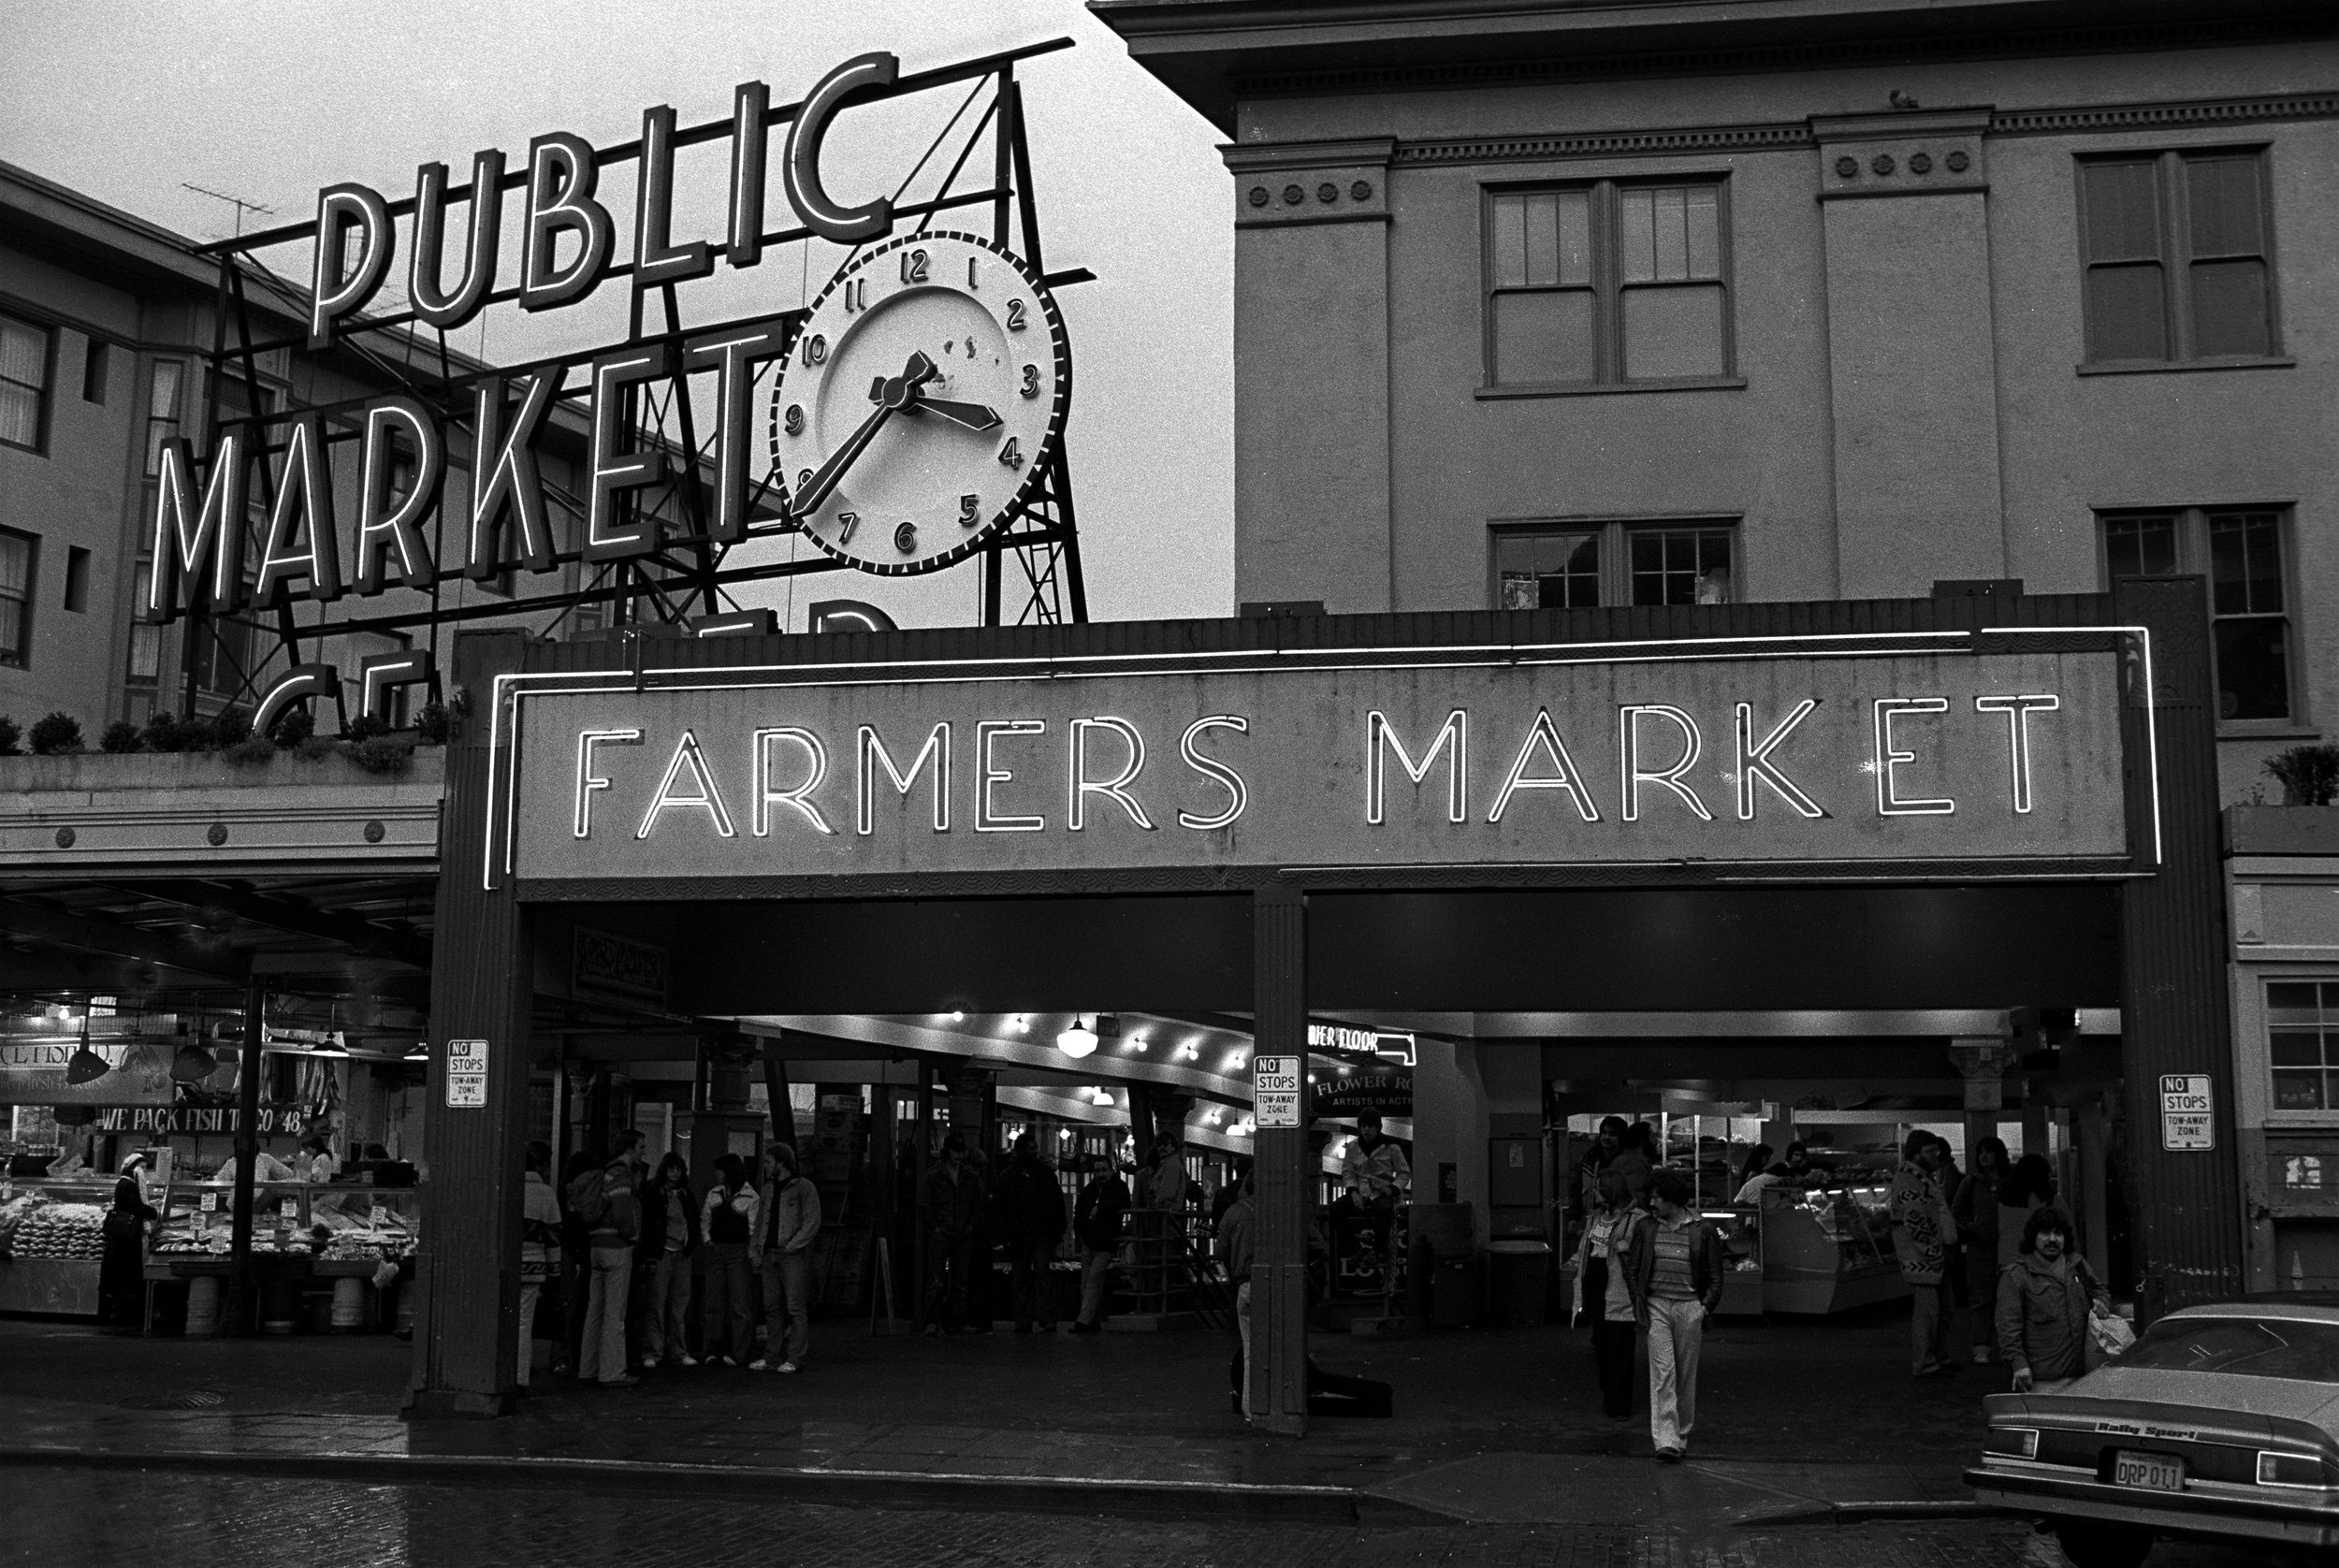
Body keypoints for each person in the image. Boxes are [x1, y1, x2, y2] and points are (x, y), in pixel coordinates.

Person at [1625, 1168, 1725, 1462]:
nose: (1652, 1204)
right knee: (1664, 1372)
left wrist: (1703, 1308)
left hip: (1689, 1307)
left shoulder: (1702, 1229)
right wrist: (1639, 1301)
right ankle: (1666, 1439)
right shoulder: (1647, 1227)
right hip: (1656, 1305)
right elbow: (1633, 1269)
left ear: (1673, 1199)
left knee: (1684, 1375)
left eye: (1657, 1198)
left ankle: (1680, 1435)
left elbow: (1716, 1276)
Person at [1998, 1206, 2110, 1393]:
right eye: (2044, 1233)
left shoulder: (2077, 1264)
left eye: (2058, 1233)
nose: (2052, 1239)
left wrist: (2102, 1303)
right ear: (2033, 1237)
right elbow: (2008, 1328)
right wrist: (2019, 1365)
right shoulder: (2016, 1276)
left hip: (2085, 1376)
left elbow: (2100, 1289)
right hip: (2043, 1381)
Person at [1570, 1168, 1645, 1419]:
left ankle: (1618, 1404)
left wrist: (1627, 1249)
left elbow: (1644, 1254)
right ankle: (1610, 1397)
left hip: (1619, 1287)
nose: (1595, 1193)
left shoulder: (1637, 1218)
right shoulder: (1595, 1217)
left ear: (1610, 1190)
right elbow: (1585, 1250)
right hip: (1596, 1285)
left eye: (1599, 1188)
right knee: (1603, 1344)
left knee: (1620, 1347)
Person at [1888, 1130, 1959, 1377]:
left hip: (1932, 1255)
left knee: (1944, 1308)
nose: (1936, 1156)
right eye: (1930, 1152)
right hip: (1924, 1258)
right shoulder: (1910, 1179)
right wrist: (1932, 1251)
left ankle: (1936, 1355)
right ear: (1916, 1154)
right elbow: (1915, 1219)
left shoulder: (1920, 1176)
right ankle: (1925, 1360)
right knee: (1929, 1312)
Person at [574, 1144, 641, 1387]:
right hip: (616, 1247)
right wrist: (633, 1236)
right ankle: (612, 1372)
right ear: (630, 1149)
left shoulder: (601, 1175)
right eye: (641, 1147)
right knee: (615, 1314)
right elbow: (624, 1213)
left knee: (595, 1311)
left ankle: (588, 1369)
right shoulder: (621, 1176)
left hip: (596, 1246)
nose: (642, 1153)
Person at [751, 1142, 821, 1372]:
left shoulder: (802, 1188)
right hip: (777, 1252)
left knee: (791, 1307)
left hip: (787, 1254)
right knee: (775, 1307)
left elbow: (812, 1221)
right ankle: (777, 1356)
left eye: (768, 1162)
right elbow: (761, 1221)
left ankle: (791, 1357)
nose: (765, 1166)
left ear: (780, 1163)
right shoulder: (770, 1188)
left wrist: (791, 1246)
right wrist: (757, 1249)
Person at [995, 1133, 1068, 1334]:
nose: (1035, 1153)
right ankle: (1045, 1317)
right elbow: (1057, 1203)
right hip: (1039, 1233)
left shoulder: (1009, 1176)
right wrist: (1058, 1230)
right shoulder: (1045, 1174)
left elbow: (999, 1208)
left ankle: (1023, 1318)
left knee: (1021, 1277)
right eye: (1032, 1149)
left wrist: (1004, 1236)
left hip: (1021, 1234)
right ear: (1022, 1151)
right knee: (1041, 1276)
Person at [1340, 1112, 1412, 1311]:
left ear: (1378, 1127)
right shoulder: (1352, 1148)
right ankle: (1355, 1250)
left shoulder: (1392, 1148)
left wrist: (1393, 1189)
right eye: (1363, 1126)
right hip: (1361, 1192)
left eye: (1370, 1126)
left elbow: (1404, 1172)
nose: (1366, 1130)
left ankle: (1377, 1251)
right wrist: (1353, 1191)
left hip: (1383, 1192)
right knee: (1337, 1209)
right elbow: (1347, 1172)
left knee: (1384, 1209)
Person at [636, 1153, 699, 1370]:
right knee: (662, 1303)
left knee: (671, 1303)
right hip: (668, 1251)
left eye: (678, 1169)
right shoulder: (679, 1195)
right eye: (672, 1168)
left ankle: (660, 1351)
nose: (675, 1172)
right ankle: (670, 1350)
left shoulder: (668, 1194)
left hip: (676, 1251)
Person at [1954, 1137, 2011, 1363]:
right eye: (1981, 1153)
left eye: (1988, 1152)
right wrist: (1973, 1228)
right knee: (1981, 1298)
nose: (1983, 1157)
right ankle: (1982, 1346)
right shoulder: (1971, 1183)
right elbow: (1957, 1211)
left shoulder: (2007, 1181)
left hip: (1999, 1246)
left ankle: (1993, 1346)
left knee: (2002, 1297)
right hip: (1981, 1247)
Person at [922, 1132, 984, 1335]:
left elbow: (978, 1203)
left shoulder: (956, 1175)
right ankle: (941, 1322)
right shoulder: (940, 1175)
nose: (958, 1155)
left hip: (954, 1232)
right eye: (955, 1151)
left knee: (954, 1282)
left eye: (960, 1151)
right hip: (948, 1233)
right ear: (947, 1152)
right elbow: (924, 1205)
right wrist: (936, 1227)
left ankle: (942, 1322)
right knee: (941, 1281)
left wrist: (968, 1225)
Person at [699, 1153, 758, 1367]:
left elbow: (705, 1219)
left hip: (724, 1250)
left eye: (719, 1170)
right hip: (736, 1251)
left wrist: (707, 1241)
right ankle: (737, 1352)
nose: (716, 1173)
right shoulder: (750, 1197)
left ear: (727, 1172)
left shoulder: (715, 1194)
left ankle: (714, 1349)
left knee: (720, 1304)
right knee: (736, 1304)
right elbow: (752, 1229)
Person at [517, 1141, 561, 1391]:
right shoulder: (546, 1194)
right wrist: (554, 1273)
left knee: (504, 1319)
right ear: (541, 1165)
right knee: (524, 1323)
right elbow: (554, 1237)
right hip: (535, 1267)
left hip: (506, 1267)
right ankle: (520, 1378)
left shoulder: (507, 1188)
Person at [1069, 1154, 1130, 1334]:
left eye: (1103, 1170)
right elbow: (1079, 1213)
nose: (1100, 1174)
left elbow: (1079, 1213)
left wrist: (1080, 1234)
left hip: (1102, 1242)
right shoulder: (1104, 1189)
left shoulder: (1098, 1190)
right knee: (1088, 1282)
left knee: (1092, 1281)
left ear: (1111, 1170)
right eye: (1098, 1171)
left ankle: (1084, 1321)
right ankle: (1090, 1320)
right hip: (1093, 1241)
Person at [98, 1154, 160, 1328]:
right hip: (125, 1237)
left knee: (122, 1276)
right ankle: (122, 1316)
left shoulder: (125, 1183)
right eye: (142, 1168)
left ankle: (120, 1314)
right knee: (124, 1275)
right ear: (133, 1168)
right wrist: (155, 1212)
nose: (144, 1172)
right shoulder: (127, 1184)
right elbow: (136, 1206)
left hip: (123, 1237)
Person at [1216, 1166, 1256, 1416]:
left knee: (1251, 1351)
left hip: (1246, 1284)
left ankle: (1251, 1408)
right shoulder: (1282, 1210)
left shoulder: (1234, 1212)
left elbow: (1220, 1251)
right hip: (1279, 1285)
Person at [1997, 1153, 2056, 1269]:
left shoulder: (2004, 1200)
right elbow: (2070, 1235)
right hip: (2040, 1263)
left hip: (2008, 1262)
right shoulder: (2052, 1201)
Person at [1576, 1117, 1628, 1219]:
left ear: (1620, 1137)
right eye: (1604, 1133)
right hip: (1590, 1217)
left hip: (1617, 1218)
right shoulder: (1590, 1158)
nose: (1606, 1137)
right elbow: (1577, 1187)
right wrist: (1574, 1216)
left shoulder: (1625, 1161)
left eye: (1612, 1134)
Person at [1609, 1122, 1656, 1202]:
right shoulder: (1637, 1163)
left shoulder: (1621, 1159)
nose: (1656, 1140)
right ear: (1642, 1140)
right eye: (1653, 1136)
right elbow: (1636, 1195)